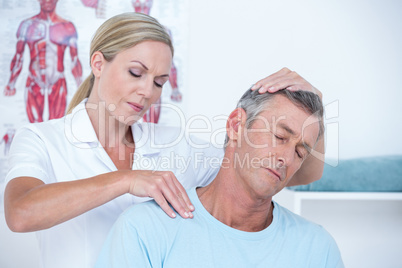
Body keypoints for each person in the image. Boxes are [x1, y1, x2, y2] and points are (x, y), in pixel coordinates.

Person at [4, 12, 324, 268]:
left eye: (159, 82)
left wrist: (315, 107)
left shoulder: (178, 147)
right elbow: (20, 213)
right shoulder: (42, 139)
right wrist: (126, 180)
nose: (147, 92)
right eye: (135, 73)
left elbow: (298, 172)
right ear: (98, 63)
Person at [95, 88, 343, 268]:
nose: (287, 158)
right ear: (236, 126)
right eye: (279, 136)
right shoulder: (145, 229)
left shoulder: (316, 247)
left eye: (300, 152)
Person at [4, 0, 83, 123]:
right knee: (35, 127)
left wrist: (81, 88)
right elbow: (19, 57)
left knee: (56, 126)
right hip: (34, 81)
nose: (47, 1)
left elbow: (74, 60)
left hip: (58, 81)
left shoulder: (67, 27)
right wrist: (11, 84)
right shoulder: (27, 25)